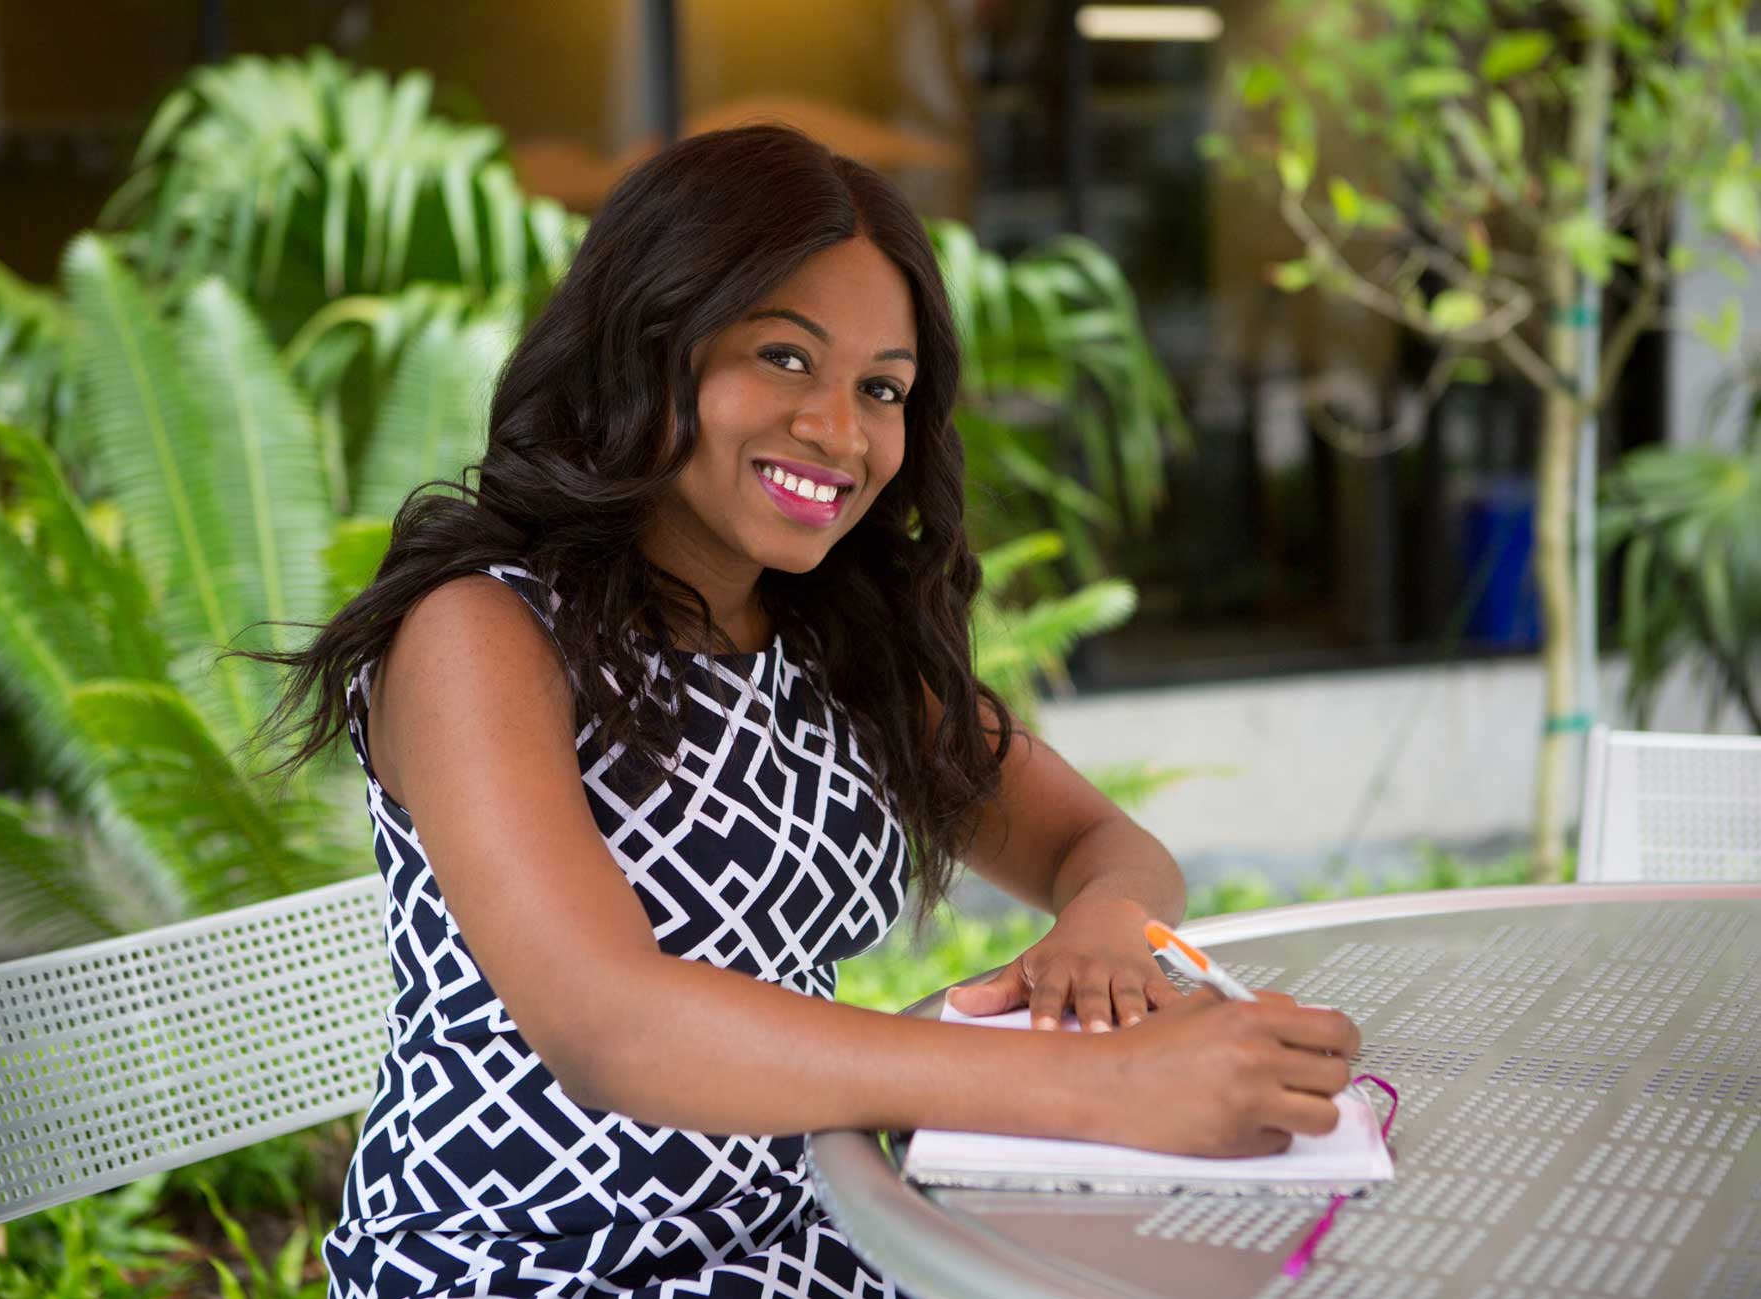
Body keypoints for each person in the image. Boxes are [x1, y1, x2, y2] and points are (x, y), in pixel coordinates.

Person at [244, 123, 1360, 1299]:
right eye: (784, 358)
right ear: (648, 342)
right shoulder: (482, 633)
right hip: (521, 1265)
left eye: (882, 388)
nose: (839, 430)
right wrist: (1109, 1088)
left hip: (809, 1239)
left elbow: (1105, 845)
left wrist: (1104, 928)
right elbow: (612, 1025)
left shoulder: (839, 641)